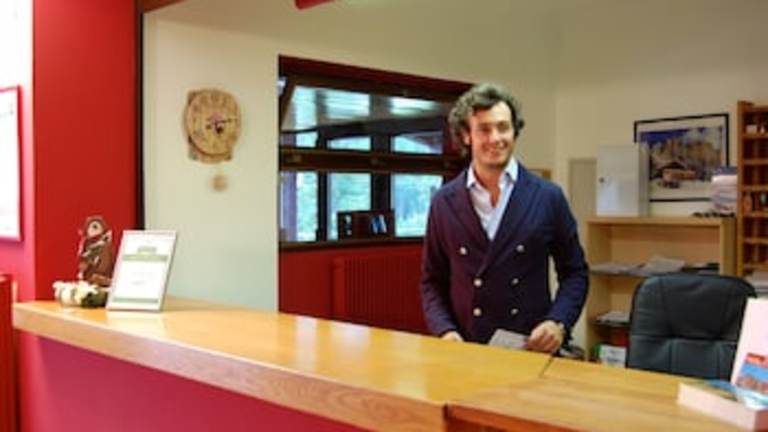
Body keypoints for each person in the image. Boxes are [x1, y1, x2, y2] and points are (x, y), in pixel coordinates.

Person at [420, 83, 588, 353]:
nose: (495, 138)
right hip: (467, 349)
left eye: (503, 127)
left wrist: (558, 322)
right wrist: (445, 330)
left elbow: (575, 273)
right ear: (466, 135)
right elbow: (432, 281)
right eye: (484, 129)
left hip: (531, 348)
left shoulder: (547, 196)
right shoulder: (444, 202)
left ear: (514, 131)